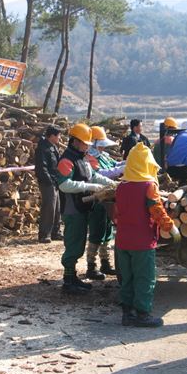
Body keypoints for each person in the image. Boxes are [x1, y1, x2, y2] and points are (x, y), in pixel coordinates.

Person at [115, 143, 181, 327]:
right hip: (142, 242)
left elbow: (116, 213)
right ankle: (143, 315)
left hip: (122, 241)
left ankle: (127, 314)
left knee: (127, 278)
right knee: (144, 278)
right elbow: (157, 211)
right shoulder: (148, 186)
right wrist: (170, 227)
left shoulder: (121, 186)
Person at [57, 123, 116, 294]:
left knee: (79, 243)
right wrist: (89, 186)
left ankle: (72, 277)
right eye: (84, 143)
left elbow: (94, 175)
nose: (87, 146)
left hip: (82, 207)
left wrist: (110, 183)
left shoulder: (82, 157)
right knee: (73, 244)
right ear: (75, 141)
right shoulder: (66, 160)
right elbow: (64, 184)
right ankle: (68, 280)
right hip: (72, 208)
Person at [86, 126, 124, 278]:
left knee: (108, 232)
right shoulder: (89, 157)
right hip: (97, 199)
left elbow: (114, 165)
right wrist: (119, 171)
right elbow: (99, 173)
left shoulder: (103, 155)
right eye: (100, 144)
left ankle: (105, 263)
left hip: (109, 197)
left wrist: (127, 164)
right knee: (97, 232)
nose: (102, 147)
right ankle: (91, 266)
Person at [34, 125, 63, 243]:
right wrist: (49, 181)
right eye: (58, 135)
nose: (60, 138)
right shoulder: (43, 148)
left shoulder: (53, 147)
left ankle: (55, 232)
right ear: (52, 136)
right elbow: (42, 167)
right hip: (47, 182)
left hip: (54, 181)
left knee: (57, 208)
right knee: (49, 208)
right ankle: (44, 234)